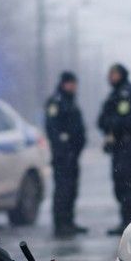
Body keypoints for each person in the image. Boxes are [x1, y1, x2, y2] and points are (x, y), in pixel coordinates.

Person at [97, 63, 131, 235]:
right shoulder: (116, 93)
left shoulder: (126, 93)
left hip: (127, 147)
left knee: (128, 185)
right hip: (119, 148)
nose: (112, 77)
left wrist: (112, 124)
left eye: (115, 74)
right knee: (121, 184)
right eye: (110, 74)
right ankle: (127, 220)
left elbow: (125, 120)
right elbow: (102, 119)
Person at [45, 71, 88, 236]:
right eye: (71, 83)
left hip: (73, 155)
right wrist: (64, 148)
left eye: (74, 83)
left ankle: (69, 222)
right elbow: (53, 128)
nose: (73, 87)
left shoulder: (71, 101)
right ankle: (60, 224)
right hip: (63, 155)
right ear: (64, 84)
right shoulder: (56, 102)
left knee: (71, 189)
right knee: (63, 190)